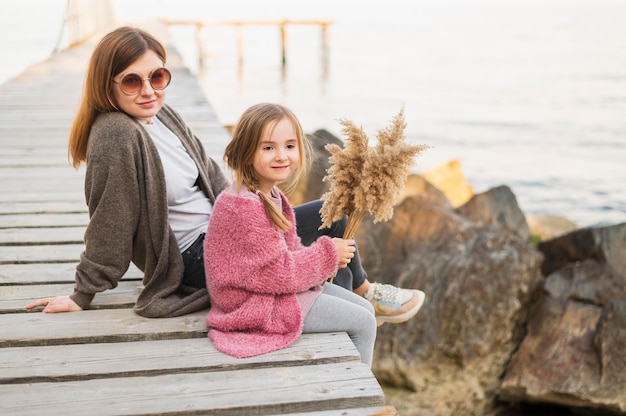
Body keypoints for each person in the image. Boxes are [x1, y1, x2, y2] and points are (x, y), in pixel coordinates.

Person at [25, 26, 424, 324]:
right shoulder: (115, 135)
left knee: (330, 213)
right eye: (132, 80)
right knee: (310, 255)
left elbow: (214, 179)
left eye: (157, 76)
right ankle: (349, 303)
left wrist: (254, 213)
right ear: (107, 84)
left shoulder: (161, 115)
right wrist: (84, 292)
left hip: (226, 226)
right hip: (194, 255)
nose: (149, 90)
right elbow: (110, 219)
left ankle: (363, 291)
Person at [204, 102, 378, 364]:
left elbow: (288, 252)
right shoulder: (243, 206)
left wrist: (323, 257)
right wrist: (328, 253)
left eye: (289, 146)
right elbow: (278, 273)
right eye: (268, 147)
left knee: (365, 307)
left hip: (269, 292)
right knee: (363, 322)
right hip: (253, 305)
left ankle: (343, 375)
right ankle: (361, 397)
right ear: (245, 151)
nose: (281, 155)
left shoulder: (269, 195)